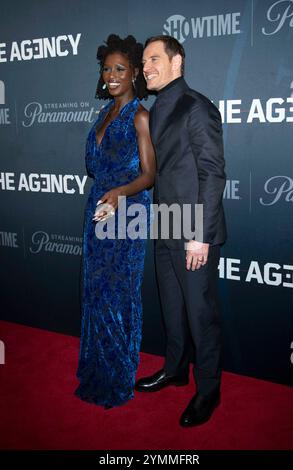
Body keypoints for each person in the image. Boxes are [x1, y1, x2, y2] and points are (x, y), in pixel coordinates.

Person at [135, 35, 226, 427]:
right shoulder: (157, 110)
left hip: (192, 229)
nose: (146, 67)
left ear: (178, 62)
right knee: (173, 309)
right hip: (167, 221)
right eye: (143, 61)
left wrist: (200, 235)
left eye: (154, 58)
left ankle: (208, 390)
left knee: (199, 315)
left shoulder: (196, 107)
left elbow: (212, 174)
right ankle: (175, 369)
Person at [75, 34, 155, 408]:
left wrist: (120, 193)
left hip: (127, 213)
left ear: (135, 73)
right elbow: (94, 167)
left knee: (118, 296)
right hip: (98, 210)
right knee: (96, 294)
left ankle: (118, 374)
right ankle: (95, 368)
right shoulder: (103, 114)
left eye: (120, 69)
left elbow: (149, 174)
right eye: (106, 69)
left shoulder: (140, 115)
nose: (111, 75)